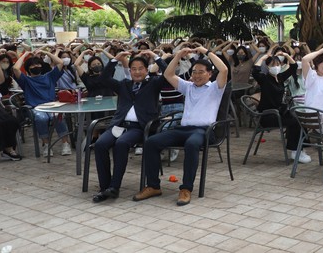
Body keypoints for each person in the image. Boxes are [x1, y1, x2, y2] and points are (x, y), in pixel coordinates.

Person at [133, 46, 228, 206]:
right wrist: (177, 56)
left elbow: (224, 69)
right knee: (151, 142)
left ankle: (186, 189)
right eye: (194, 72)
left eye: (201, 72)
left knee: (191, 144)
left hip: (203, 131)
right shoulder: (188, 86)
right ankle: (153, 186)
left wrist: (206, 51)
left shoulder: (215, 88)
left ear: (210, 74)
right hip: (182, 129)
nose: (196, 75)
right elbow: (168, 74)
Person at [91, 50, 167, 203]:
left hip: (139, 127)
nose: (137, 72)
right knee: (100, 144)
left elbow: (168, 73)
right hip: (119, 125)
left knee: (121, 144)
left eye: (140, 69)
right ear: (130, 71)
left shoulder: (153, 83)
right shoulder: (124, 85)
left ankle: (114, 186)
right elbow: (104, 78)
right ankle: (104, 187)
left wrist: (156, 57)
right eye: (134, 69)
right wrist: (115, 59)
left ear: (146, 70)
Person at [251, 51, 307, 163]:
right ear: (268, 67)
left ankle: (299, 149)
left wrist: (286, 55)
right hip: (268, 115)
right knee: (294, 122)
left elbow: (293, 67)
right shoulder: (264, 79)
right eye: (272, 65)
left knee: (299, 119)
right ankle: (295, 151)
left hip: (279, 112)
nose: (276, 67)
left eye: (278, 64)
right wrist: (263, 58)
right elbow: (255, 71)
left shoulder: (280, 77)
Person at [13, 50, 72, 156]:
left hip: (52, 106)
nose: (36, 66)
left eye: (38, 64)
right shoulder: (25, 80)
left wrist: (46, 52)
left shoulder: (50, 76)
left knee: (57, 116)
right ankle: (46, 144)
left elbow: (60, 62)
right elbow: (15, 68)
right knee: (41, 118)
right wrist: (25, 54)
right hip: (35, 108)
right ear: (28, 68)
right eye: (32, 65)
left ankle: (65, 143)